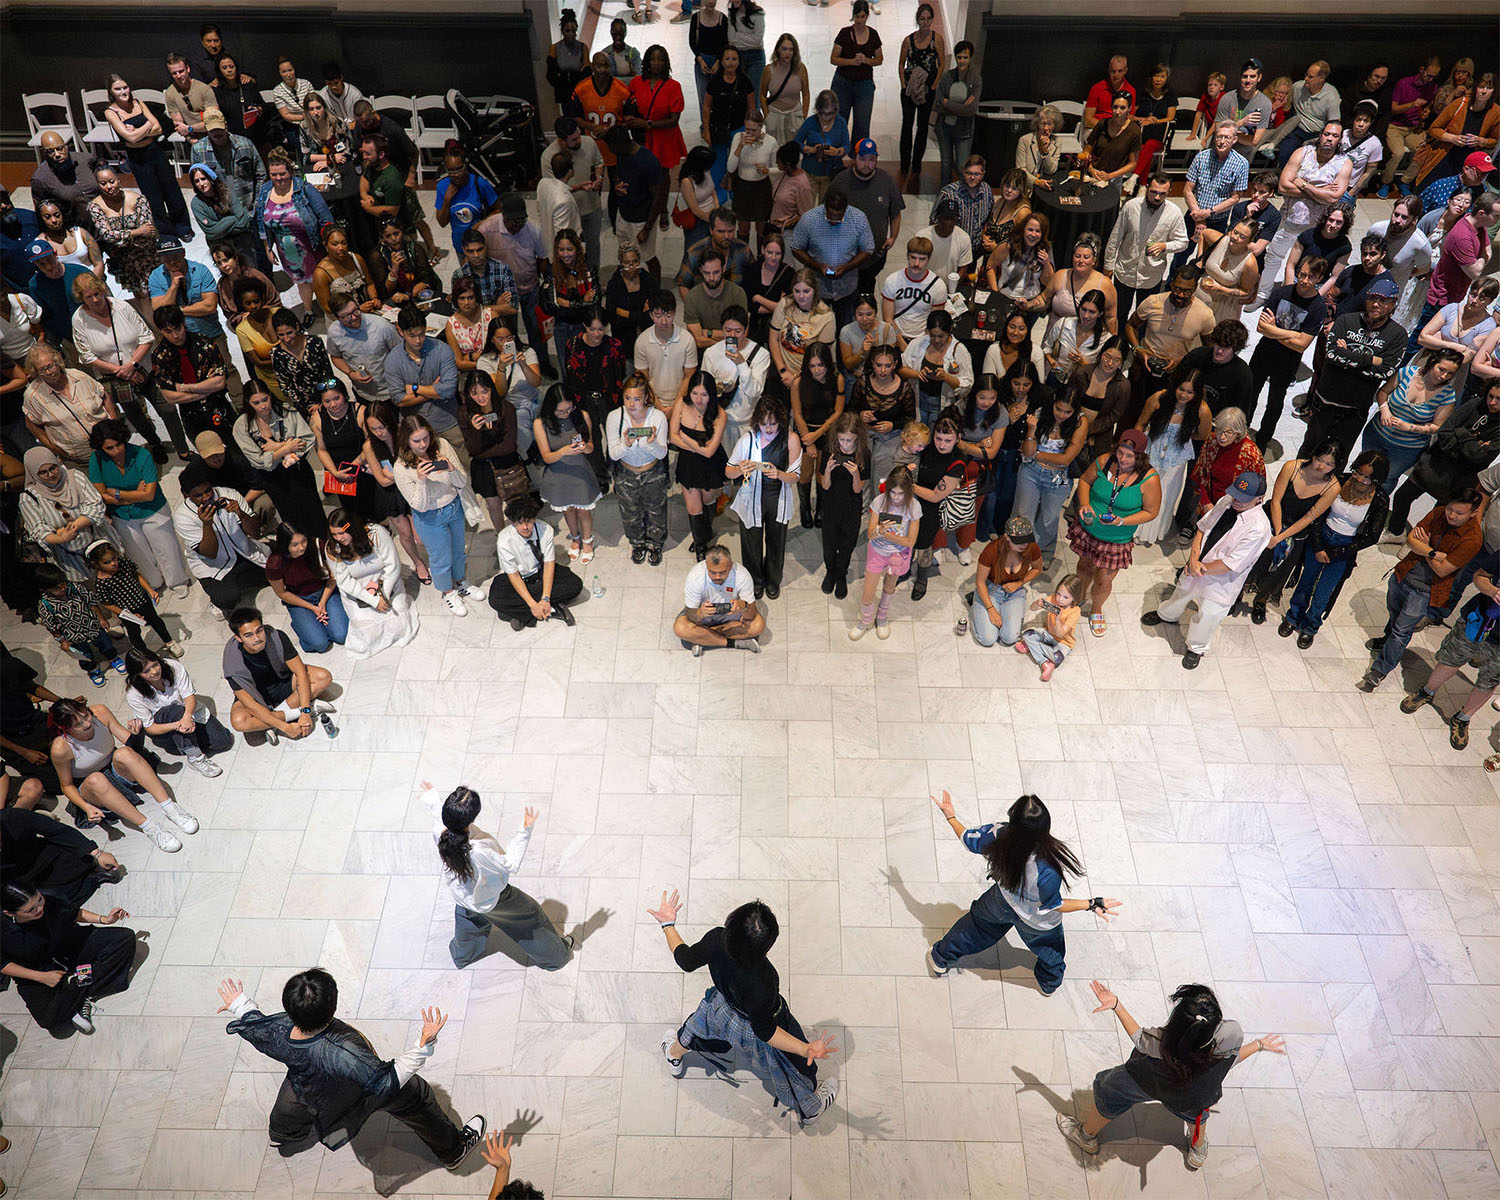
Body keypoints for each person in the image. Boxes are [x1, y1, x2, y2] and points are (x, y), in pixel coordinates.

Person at [218, 970, 484, 1166]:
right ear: (332, 1006)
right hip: (347, 1086)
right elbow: (384, 1081)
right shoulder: (345, 1053)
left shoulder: (278, 1030)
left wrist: (240, 1005)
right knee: (416, 1095)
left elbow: (255, 1026)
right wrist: (423, 1044)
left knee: (293, 1101)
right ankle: (454, 1151)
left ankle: (284, 1134)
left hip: (307, 1080)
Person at [1057, 980, 1286, 1171]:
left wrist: (1117, 1005)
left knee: (1110, 1092)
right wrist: (1258, 1045)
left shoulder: (1162, 1043)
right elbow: (1232, 1059)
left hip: (1145, 1081)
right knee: (1197, 1115)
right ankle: (1197, 1151)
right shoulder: (1228, 1040)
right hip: (1192, 1097)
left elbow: (1139, 1038)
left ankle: (1086, 1136)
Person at [651, 889, 836, 1119]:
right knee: (792, 1066)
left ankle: (673, 1054)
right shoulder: (765, 981)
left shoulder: (716, 939)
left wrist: (668, 924)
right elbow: (766, 1031)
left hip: (720, 1008)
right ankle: (810, 1107)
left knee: (695, 1029)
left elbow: (686, 959)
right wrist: (804, 1048)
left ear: (730, 924)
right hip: (751, 1028)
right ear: (765, 948)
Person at [928, 790, 1120, 989]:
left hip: (1000, 902)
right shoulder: (1047, 870)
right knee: (1052, 955)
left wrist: (950, 816)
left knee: (974, 929)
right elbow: (1055, 906)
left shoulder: (998, 835)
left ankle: (940, 958)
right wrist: (1090, 904)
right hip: (1036, 922)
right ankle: (1048, 984)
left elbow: (968, 839)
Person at [422, 779, 574, 970]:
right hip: (490, 899)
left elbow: (440, 817)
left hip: (462, 895)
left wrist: (432, 798)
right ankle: (557, 958)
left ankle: (462, 957)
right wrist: (525, 829)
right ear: (472, 819)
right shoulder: (478, 851)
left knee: (469, 924)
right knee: (531, 916)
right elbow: (510, 863)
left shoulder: (441, 833)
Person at [1359, 487, 1483, 692]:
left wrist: (1426, 550)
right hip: (1404, 574)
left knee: (1402, 630)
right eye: (1450, 509)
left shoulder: (1472, 539)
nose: (1451, 515)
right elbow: (1411, 540)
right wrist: (1436, 553)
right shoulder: (1438, 513)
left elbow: (1443, 571)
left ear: (1473, 513)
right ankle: (1386, 641)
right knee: (1394, 614)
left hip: (1426, 590)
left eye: (1459, 513)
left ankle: (1379, 670)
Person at [46, 696, 197, 847]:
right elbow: (66, 785)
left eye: (86, 715)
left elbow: (132, 746)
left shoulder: (101, 712)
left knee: (124, 753)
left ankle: (169, 807)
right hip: (91, 786)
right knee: (96, 779)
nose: (87, 723)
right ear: (65, 728)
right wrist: (86, 808)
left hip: (114, 768)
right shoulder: (61, 748)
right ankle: (150, 828)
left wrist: (137, 734)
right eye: (78, 724)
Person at [1, 882, 137, 1035]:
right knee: (49, 1018)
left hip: (68, 945)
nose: (39, 908)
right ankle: (86, 985)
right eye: (31, 910)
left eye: (39, 900)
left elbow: (72, 913)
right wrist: (42, 977)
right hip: (35, 968)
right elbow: (3, 964)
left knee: (124, 939)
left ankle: (77, 989)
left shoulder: (49, 897)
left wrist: (104, 919)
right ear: (9, 913)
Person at [1298, 279, 1407, 468]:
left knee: (1339, 456)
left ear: (1392, 304)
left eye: (1383, 301)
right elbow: (1331, 355)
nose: (1376, 304)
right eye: (1373, 298)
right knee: (1309, 449)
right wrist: (1371, 359)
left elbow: (1385, 371)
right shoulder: (1346, 320)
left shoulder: (1398, 335)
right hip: (1326, 401)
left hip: (1355, 409)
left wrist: (1347, 355)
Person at [1068, 429, 1161, 637]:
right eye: (1120, 453)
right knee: (1084, 565)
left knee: (1104, 579)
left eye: (1129, 456)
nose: (1123, 459)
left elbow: (1151, 511)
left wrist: (1123, 521)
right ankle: (1079, 595)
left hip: (1116, 539)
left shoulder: (1149, 479)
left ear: (1139, 457)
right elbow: (1084, 481)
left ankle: (1096, 609)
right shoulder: (1104, 461)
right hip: (1089, 529)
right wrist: (1084, 504)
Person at [1400, 562, 1500, 751]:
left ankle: (1463, 718)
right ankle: (1427, 692)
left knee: (1489, 681)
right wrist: (1492, 590)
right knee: (1451, 659)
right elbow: (1480, 575)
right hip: (1478, 621)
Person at [393, 413, 484, 615]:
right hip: (430, 517)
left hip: (454, 507)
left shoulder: (441, 445)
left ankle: (460, 581)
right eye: (416, 441)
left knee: (459, 549)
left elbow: (461, 482)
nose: (423, 444)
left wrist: (451, 470)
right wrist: (422, 480)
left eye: (426, 438)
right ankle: (448, 591)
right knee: (441, 558)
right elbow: (419, 505)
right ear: (406, 440)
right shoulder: (401, 467)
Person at [1258, 121, 1352, 302]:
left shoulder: (1344, 163)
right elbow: (1283, 186)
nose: (1329, 139)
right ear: (1320, 134)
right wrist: (1320, 190)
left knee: (1307, 267)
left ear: (1340, 140)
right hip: (1289, 218)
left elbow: (1333, 198)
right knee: (1274, 257)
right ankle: (1263, 294)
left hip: (1317, 227)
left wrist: (1302, 182)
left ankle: (1297, 298)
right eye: (1326, 134)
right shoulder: (1302, 153)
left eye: (1334, 136)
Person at [1247, 255, 1329, 451]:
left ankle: (1262, 441)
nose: (1304, 280)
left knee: (1274, 403)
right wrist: (1293, 335)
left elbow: (1301, 345)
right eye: (1302, 274)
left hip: (1287, 361)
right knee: (1249, 392)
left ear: (1319, 279)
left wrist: (1274, 330)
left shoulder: (1318, 308)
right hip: (1264, 352)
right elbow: (1261, 328)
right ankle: (1241, 430)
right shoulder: (1281, 293)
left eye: (1310, 277)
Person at [726, 394, 803, 599]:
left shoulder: (791, 439)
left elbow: (795, 476)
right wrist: (741, 469)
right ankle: (755, 581)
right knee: (751, 540)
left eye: (773, 424)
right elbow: (728, 471)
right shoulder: (748, 439)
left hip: (777, 496)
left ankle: (772, 580)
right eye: (763, 424)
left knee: (776, 540)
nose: (768, 429)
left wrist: (779, 474)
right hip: (752, 497)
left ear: (780, 420)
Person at [174, 462, 269, 618]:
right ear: (186, 495)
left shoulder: (229, 494)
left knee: (278, 570)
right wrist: (207, 525)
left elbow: (256, 533)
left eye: (208, 491)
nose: (206, 497)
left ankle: (246, 578)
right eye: (198, 495)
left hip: (244, 553)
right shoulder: (182, 517)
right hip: (214, 566)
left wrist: (241, 514)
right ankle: (217, 594)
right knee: (227, 599)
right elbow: (210, 554)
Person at [233, 382, 327, 539]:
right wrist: (286, 449)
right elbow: (258, 461)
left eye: (265, 400)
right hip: (273, 479)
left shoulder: (286, 411)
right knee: (291, 518)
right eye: (256, 403)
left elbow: (307, 440)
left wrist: (277, 446)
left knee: (314, 513)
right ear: (248, 403)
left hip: (298, 470)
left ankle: (324, 545)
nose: (263, 406)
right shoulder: (242, 425)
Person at [323, 507, 418, 659]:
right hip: (357, 590)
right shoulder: (332, 548)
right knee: (366, 635)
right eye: (334, 534)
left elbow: (392, 565)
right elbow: (344, 581)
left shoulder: (376, 534)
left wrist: (384, 595)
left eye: (341, 533)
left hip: (385, 580)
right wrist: (373, 601)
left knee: (398, 625)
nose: (338, 538)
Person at [103, 74, 191, 239]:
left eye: (125, 87)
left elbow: (158, 128)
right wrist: (147, 125)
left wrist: (139, 129)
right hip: (137, 156)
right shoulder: (110, 112)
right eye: (118, 89)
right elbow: (131, 139)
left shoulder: (138, 103)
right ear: (111, 92)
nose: (123, 91)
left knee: (172, 191)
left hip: (154, 150)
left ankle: (183, 227)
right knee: (153, 196)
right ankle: (166, 232)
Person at [1363, 349, 1462, 492]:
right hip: (1377, 434)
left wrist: (1409, 427)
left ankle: (1375, 510)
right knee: (1363, 469)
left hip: (1405, 448)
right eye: (1441, 369)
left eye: (1450, 373)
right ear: (1432, 363)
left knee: (1387, 479)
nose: (1444, 376)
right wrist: (1384, 408)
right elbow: (1383, 392)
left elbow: (1436, 426)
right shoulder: (1407, 373)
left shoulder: (1447, 395)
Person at [1125, 267, 1216, 421]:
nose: (1181, 295)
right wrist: (1138, 349)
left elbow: (1208, 349)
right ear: (1171, 283)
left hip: (1175, 376)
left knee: (1161, 419)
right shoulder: (1153, 302)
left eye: (1187, 291)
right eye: (1177, 289)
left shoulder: (1204, 314)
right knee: (1130, 415)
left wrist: (1183, 360)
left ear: (1195, 289)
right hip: (1143, 368)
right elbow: (1130, 325)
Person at [123, 648, 232, 775]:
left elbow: (189, 696)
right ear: (138, 674)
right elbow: (150, 727)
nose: (154, 671)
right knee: (175, 711)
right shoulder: (133, 694)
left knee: (223, 741)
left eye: (155, 665)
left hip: (189, 715)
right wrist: (178, 724)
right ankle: (195, 757)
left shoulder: (173, 667)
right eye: (147, 671)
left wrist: (187, 717)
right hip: (164, 728)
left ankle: (188, 743)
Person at [1133, 373, 1212, 546]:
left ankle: (1152, 531)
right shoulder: (1158, 399)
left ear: (1197, 393)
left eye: (1190, 392)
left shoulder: (1202, 410)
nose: (1183, 395)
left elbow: (1202, 435)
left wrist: (1181, 440)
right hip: (1151, 450)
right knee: (1142, 489)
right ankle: (1133, 526)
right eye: (1181, 389)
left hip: (1176, 459)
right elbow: (1140, 423)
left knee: (1166, 494)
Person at [1014, 390, 1091, 564]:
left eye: (1067, 412)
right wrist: (1031, 430)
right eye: (1058, 409)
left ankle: (1042, 554)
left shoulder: (1080, 422)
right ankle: (1018, 551)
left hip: (1059, 479)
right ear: (1053, 403)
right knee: (1023, 516)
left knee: (1049, 519)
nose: (1062, 415)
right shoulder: (1041, 413)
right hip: (1031, 472)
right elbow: (1026, 452)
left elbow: (1065, 459)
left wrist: (1037, 454)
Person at [1, 796, 123, 905]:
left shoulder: (12, 817)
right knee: (31, 903)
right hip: (15, 879)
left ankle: (90, 877)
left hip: (40, 856)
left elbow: (56, 830)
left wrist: (97, 853)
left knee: (78, 856)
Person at [21, 445, 118, 582]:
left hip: (99, 541)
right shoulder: (29, 497)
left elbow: (95, 505)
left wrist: (74, 526)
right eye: (43, 472)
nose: (50, 475)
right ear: (33, 474)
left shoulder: (75, 477)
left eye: (52, 468)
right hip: (71, 556)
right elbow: (38, 530)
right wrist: (62, 538)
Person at [845, 464, 920, 640]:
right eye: (892, 492)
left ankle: (882, 617)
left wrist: (887, 535)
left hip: (898, 555)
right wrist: (879, 530)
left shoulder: (914, 507)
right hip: (877, 552)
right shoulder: (879, 501)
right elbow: (870, 534)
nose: (895, 497)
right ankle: (865, 620)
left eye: (900, 493)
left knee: (889, 586)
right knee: (868, 592)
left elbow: (910, 541)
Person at [488, 494, 582, 631]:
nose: (525, 527)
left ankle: (520, 613)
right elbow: (513, 576)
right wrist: (533, 604)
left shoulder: (545, 530)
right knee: (496, 598)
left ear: (534, 519)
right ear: (513, 523)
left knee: (575, 584)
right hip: (520, 578)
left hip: (540, 574)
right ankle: (552, 609)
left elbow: (549, 564)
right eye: (520, 523)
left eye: (529, 521)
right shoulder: (504, 540)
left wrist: (545, 598)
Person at [532, 386, 602, 565]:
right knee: (568, 509)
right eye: (560, 411)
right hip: (558, 474)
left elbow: (591, 447)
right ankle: (575, 537)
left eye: (569, 409)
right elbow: (547, 457)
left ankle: (587, 540)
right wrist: (563, 451)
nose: (565, 414)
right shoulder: (541, 423)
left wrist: (585, 447)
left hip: (580, 471)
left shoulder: (582, 416)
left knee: (584, 509)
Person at [1105, 173, 1189, 320]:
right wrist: (1108, 265)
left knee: (1144, 317)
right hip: (1125, 271)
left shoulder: (1174, 213)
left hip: (1151, 276)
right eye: (1154, 192)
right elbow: (1115, 238)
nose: (1157, 197)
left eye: (1162, 194)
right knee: (1119, 314)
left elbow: (1183, 242)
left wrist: (1165, 246)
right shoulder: (1131, 207)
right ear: (1147, 187)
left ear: (1169, 192)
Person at [608, 372, 671, 564]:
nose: (631, 404)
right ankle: (637, 543)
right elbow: (613, 454)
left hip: (653, 472)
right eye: (627, 398)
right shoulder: (614, 417)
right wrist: (626, 443)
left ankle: (655, 544)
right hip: (626, 474)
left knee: (656, 512)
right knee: (630, 513)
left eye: (636, 399)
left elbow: (662, 454)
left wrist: (652, 443)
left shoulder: (657, 417)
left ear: (646, 398)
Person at [83, 539, 180, 657]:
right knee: (134, 632)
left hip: (142, 600)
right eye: (107, 562)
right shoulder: (101, 583)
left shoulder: (123, 563)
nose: (113, 563)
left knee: (156, 621)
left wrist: (150, 590)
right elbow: (106, 603)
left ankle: (169, 642)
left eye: (114, 558)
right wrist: (126, 614)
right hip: (126, 611)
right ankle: (144, 653)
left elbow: (136, 575)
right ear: (96, 564)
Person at [34, 562, 124, 687]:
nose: (62, 588)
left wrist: (101, 618)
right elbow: (52, 627)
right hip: (73, 635)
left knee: (105, 642)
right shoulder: (45, 606)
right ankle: (92, 669)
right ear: (44, 589)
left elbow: (91, 602)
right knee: (83, 655)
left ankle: (112, 657)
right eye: (56, 588)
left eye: (63, 583)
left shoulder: (75, 588)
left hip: (92, 625)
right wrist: (62, 640)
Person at [670, 370, 730, 559]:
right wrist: (697, 447)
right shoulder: (681, 403)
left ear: (711, 394)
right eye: (695, 393)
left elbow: (710, 451)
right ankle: (700, 543)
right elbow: (672, 436)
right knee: (693, 507)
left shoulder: (720, 414)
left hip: (711, 464)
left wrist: (686, 438)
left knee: (708, 500)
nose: (698, 399)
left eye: (704, 395)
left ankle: (705, 535)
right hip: (688, 462)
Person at [264, 524, 348, 654]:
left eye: (303, 541)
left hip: (324, 591)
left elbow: (333, 577)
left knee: (341, 635)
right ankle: (301, 624)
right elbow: (282, 593)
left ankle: (317, 624)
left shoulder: (317, 545)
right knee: (320, 644)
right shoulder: (275, 562)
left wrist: (322, 603)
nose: (302, 547)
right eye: (295, 545)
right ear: (285, 545)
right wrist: (313, 608)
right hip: (299, 599)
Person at [385, 303, 462, 445]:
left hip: (447, 422)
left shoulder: (442, 350)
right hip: (413, 428)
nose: (418, 340)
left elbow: (449, 389)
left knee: (462, 465)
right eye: (412, 335)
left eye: (421, 333)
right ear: (400, 331)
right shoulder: (392, 360)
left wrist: (415, 389)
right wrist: (434, 389)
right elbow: (399, 399)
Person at [673, 542, 766, 653]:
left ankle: (702, 638)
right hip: (705, 619)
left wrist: (744, 606)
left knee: (758, 625)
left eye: (722, 572)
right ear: (706, 566)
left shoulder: (742, 575)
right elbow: (690, 614)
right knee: (680, 628)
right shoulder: (695, 577)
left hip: (731, 616)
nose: (717, 577)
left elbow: (751, 615)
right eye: (712, 572)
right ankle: (734, 643)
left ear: (730, 565)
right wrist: (700, 613)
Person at [966, 515, 1043, 648]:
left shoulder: (1031, 548)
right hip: (991, 589)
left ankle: (993, 610)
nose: (1024, 545)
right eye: (1019, 541)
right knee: (987, 638)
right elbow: (980, 582)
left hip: (1015, 592)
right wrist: (990, 609)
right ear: (1007, 537)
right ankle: (976, 605)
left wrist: (1020, 583)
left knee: (1009, 637)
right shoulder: (991, 550)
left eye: (1027, 540)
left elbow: (1037, 569)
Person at [1379, 58, 1442, 194]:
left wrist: (1425, 112)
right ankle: (1386, 183)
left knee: (1423, 152)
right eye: (1429, 75)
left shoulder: (1432, 87)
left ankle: (1404, 182)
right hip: (1396, 125)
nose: (1430, 79)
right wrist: (1412, 104)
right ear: (1422, 70)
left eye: (1434, 77)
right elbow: (1393, 109)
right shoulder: (1404, 83)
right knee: (1398, 153)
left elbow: (1427, 106)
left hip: (1414, 127)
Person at [625, 45, 689, 178]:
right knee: (642, 175)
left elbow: (673, 120)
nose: (656, 63)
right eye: (652, 59)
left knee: (662, 176)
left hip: (664, 138)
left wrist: (647, 124)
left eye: (660, 59)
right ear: (647, 61)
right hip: (642, 138)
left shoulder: (674, 87)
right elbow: (629, 108)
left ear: (666, 62)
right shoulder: (636, 83)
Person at [327, 295, 399, 405]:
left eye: (355, 311)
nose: (354, 317)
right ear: (337, 318)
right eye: (346, 316)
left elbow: (400, 353)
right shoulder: (334, 332)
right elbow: (336, 357)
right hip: (363, 393)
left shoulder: (381, 326)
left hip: (391, 391)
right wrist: (350, 373)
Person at [434, 143, 499, 259]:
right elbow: (442, 223)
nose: (456, 174)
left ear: (465, 165)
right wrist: (447, 200)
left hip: (481, 245)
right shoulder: (442, 186)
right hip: (461, 245)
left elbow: (499, 209)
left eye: (459, 169)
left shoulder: (479, 183)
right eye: (451, 171)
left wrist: (480, 224)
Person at [30, 131, 101, 232]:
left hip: (106, 226)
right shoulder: (40, 179)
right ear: (43, 153)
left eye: (60, 148)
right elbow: (42, 214)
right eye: (51, 151)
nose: (57, 154)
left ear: (66, 147)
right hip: (79, 233)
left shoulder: (86, 160)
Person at [1017, 574, 1082, 682]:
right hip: (1048, 633)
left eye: (1066, 597)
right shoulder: (1052, 598)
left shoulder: (1075, 612)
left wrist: (1058, 619)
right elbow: (1032, 608)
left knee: (1057, 658)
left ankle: (1033, 647)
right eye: (1058, 594)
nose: (1060, 599)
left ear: (1075, 597)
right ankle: (1044, 662)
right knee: (1026, 634)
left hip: (1063, 643)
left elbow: (1060, 633)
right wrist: (1037, 604)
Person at [760, 33, 809, 150]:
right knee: (774, 151)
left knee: (795, 151)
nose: (788, 53)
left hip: (795, 116)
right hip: (775, 116)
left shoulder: (801, 69)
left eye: (791, 50)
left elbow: (806, 94)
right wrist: (768, 117)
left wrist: (803, 116)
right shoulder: (768, 70)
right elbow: (762, 95)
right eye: (784, 49)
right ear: (778, 50)